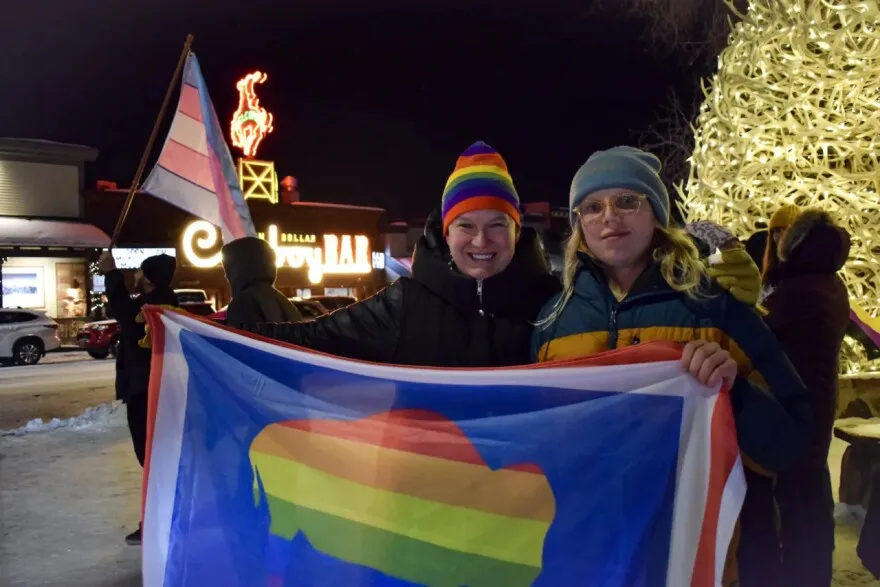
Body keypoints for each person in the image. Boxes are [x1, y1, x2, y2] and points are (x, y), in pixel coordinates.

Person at [531, 146, 812, 587]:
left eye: (628, 200)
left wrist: (732, 388)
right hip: (588, 558)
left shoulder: (715, 310)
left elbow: (790, 443)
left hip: (689, 558)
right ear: (579, 224)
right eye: (593, 206)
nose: (610, 217)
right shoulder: (552, 322)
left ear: (657, 215)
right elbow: (541, 443)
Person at [245, 141, 762, 367]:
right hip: (423, 490)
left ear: (518, 232)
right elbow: (309, 341)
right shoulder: (405, 305)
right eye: (465, 226)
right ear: (444, 233)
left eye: (498, 226)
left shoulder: (553, 303)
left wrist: (721, 289)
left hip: (526, 505)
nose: (481, 240)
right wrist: (188, 335)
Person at [763, 209, 851, 587]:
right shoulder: (831, 284)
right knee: (812, 496)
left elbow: (761, 333)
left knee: (800, 505)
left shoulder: (800, 291)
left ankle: (804, 576)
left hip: (795, 407)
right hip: (816, 403)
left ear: (798, 245)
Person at [98, 250, 179, 546]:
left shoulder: (157, 306)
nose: (136, 276)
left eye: (140, 272)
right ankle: (162, 518)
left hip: (149, 392)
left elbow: (126, 315)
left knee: (154, 460)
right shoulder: (160, 302)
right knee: (155, 460)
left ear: (149, 279)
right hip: (150, 389)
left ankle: (159, 521)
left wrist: (111, 274)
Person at [220, 236, 302, 328]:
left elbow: (243, 340)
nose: (226, 276)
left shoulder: (243, 303)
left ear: (238, 268)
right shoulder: (284, 302)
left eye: (228, 269)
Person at [760, 203, 801, 300]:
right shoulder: (773, 270)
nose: (780, 235)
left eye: (786, 229)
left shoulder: (805, 269)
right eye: (776, 231)